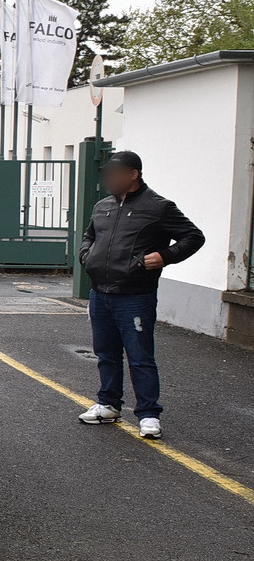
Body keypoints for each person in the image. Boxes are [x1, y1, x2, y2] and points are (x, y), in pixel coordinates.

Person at [77, 151, 204, 439]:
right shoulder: (102, 206)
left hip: (135, 295)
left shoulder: (158, 207)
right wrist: (87, 255)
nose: (109, 178)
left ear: (133, 174)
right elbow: (90, 237)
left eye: (115, 172)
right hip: (100, 293)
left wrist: (165, 255)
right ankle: (108, 404)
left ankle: (148, 414)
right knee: (106, 353)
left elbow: (193, 236)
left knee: (140, 356)